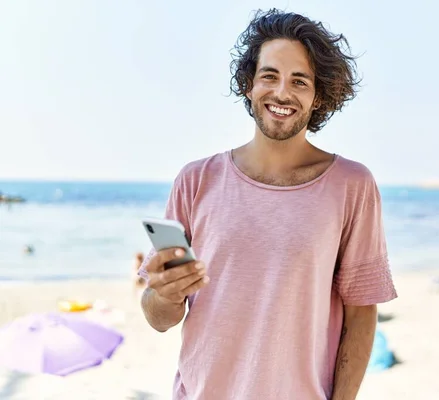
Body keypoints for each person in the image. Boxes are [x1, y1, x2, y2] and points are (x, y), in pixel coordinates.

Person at [138, 9, 397, 400]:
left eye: (299, 81)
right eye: (270, 76)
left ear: (318, 95)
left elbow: (361, 314)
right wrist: (165, 293)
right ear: (249, 84)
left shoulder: (352, 185)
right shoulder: (196, 180)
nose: (282, 93)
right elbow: (159, 319)